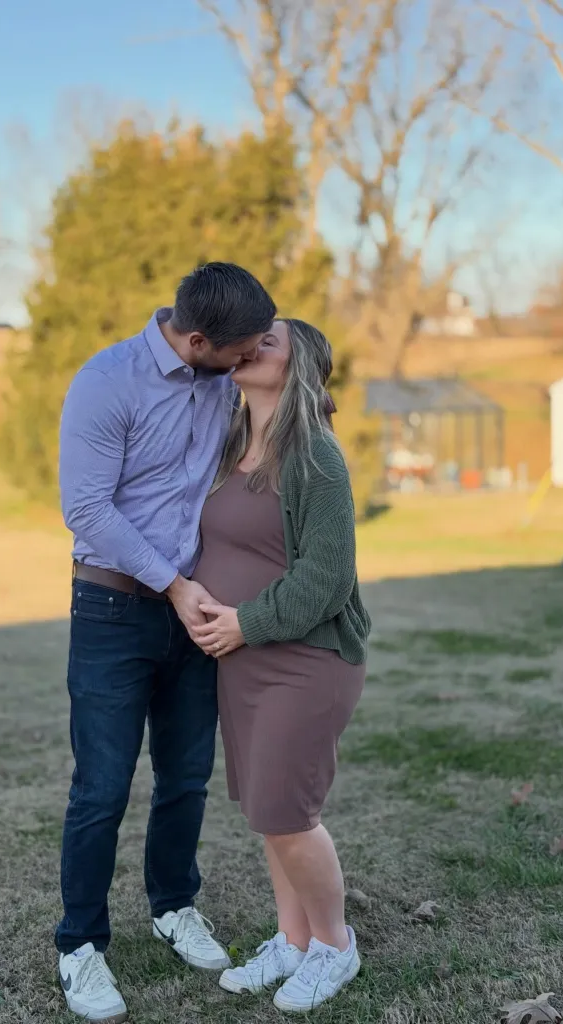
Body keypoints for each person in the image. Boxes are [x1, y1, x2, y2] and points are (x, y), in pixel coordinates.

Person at [56, 262, 276, 1023]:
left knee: (185, 777)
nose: (249, 361)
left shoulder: (221, 381)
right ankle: (80, 945)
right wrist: (175, 586)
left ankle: (174, 905)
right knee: (102, 787)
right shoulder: (105, 382)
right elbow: (86, 507)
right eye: (242, 350)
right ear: (198, 339)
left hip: (197, 611)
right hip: (112, 609)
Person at [191, 318, 371, 1014]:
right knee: (269, 813)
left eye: (269, 339)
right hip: (243, 663)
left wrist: (245, 622)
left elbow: (327, 577)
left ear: (299, 366)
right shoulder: (232, 443)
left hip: (304, 660)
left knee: (290, 814)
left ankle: (334, 945)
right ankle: (294, 941)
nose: (252, 344)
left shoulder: (315, 455)